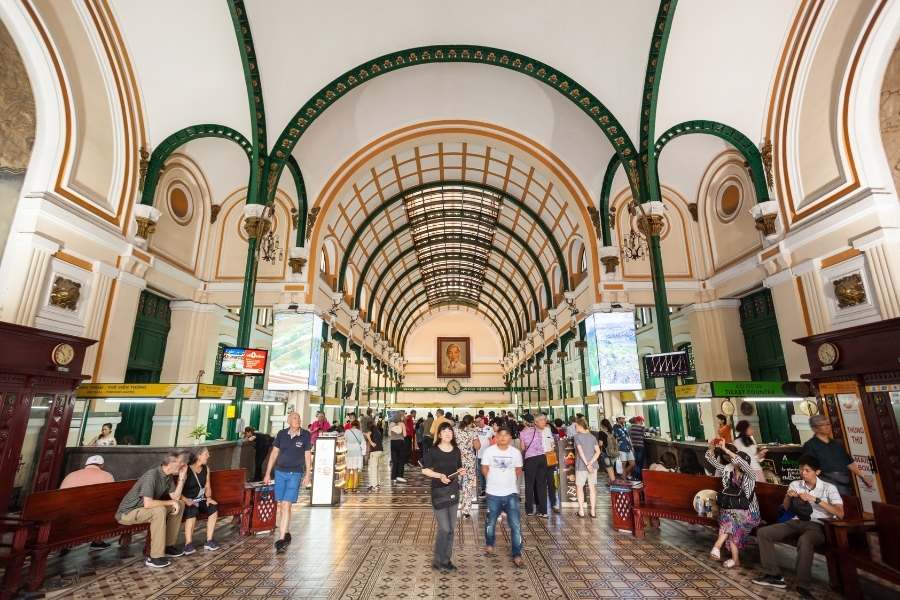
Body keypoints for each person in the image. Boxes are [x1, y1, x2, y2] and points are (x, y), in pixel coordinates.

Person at [752, 455, 844, 597]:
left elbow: (840, 513)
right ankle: (774, 576)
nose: (803, 473)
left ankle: (802, 584)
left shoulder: (828, 488)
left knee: (805, 540)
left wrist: (816, 500)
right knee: (764, 532)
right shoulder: (795, 484)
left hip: (818, 525)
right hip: (795, 522)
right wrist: (788, 496)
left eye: (807, 470)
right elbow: (785, 507)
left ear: (817, 472)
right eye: (801, 470)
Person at [115, 452, 188, 568]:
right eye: (180, 462)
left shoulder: (168, 476)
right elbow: (148, 503)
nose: (183, 464)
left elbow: (175, 497)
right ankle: (155, 557)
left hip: (143, 510)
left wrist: (182, 478)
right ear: (170, 464)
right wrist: (170, 502)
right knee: (159, 511)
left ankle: (168, 546)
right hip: (128, 513)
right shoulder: (152, 475)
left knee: (180, 504)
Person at [704, 441, 759, 569]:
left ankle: (717, 546)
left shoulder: (750, 475)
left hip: (750, 513)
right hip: (731, 512)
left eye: (736, 458)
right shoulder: (728, 470)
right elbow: (712, 461)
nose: (733, 460)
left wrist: (726, 449)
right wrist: (711, 448)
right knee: (731, 519)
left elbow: (743, 464)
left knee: (731, 519)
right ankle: (735, 559)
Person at [263, 412, 312, 553]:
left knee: (286, 504)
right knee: (281, 505)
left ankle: (281, 538)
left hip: (295, 473)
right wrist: (267, 473)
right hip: (280, 472)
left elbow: (307, 455)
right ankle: (286, 530)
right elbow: (274, 454)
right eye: (295, 418)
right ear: (289, 421)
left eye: (299, 418)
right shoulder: (281, 434)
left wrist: (308, 474)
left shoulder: (305, 435)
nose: (298, 420)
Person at [421, 422, 465, 572]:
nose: (448, 433)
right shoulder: (433, 451)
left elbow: (458, 467)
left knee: (451, 529)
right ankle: (438, 559)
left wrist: (461, 471)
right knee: (444, 528)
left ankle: (446, 560)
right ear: (439, 434)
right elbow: (425, 470)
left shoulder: (456, 451)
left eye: (450, 431)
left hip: (453, 491)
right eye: (444, 431)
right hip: (438, 493)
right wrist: (439, 475)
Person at [481, 426, 524, 567]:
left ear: (510, 438)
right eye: (500, 435)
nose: (503, 438)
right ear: (496, 437)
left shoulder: (515, 453)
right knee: (490, 522)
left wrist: (507, 481)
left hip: (511, 492)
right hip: (493, 493)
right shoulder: (489, 451)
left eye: (506, 435)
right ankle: (489, 544)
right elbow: (484, 468)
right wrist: (493, 481)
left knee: (515, 525)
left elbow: (518, 470)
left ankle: (517, 553)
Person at [803, 414, 873, 496]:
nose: (826, 427)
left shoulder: (836, 443)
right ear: (814, 428)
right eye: (822, 425)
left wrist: (863, 477)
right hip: (825, 485)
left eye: (828, 424)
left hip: (844, 484)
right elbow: (808, 468)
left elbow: (848, 461)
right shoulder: (810, 445)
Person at [59, 455, 116, 551]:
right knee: (102, 509)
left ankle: (65, 544)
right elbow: (111, 497)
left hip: (66, 513)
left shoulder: (71, 475)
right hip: (91, 514)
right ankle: (97, 541)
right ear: (102, 465)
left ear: (86, 464)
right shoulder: (107, 475)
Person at [180, 447, 220, 554]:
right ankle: (188, 544)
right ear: (199, 455)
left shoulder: (206, 468)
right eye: (206, 454)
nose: (208, 456)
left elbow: (207, 486)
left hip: (201, 499)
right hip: (187, 501)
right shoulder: (186, 469)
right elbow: (178, 490)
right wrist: (186, 500)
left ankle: (209, 540)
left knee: (213, 508)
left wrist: (209, 498)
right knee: (192, 510)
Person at [519, 413, 549, 516]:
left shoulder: (522, 433)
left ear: (524, 422)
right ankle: (543, 511)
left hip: (530, 459)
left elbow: (523, 448)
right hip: (542, 458)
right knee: (541, 485)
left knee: (529, 484)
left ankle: (529, 510)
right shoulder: (538, 430)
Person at [573, 418, 601, 518]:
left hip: (581, 466)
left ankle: (581, 511)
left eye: (576, 426)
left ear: (580, 426)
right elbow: (598, 452)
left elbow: (580, 452)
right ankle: (593, 511)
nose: (575, 427)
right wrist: (591, 463)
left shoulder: (577, 437)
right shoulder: (592, 437)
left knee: (579, 487)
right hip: (593, 466)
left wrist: (587, 464)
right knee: (592, 488)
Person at [454, 415, 480, 518]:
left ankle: (456, 505)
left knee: (456, 482)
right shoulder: (473, 431)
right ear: (471, 422)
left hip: (456, 459)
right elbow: (477, 446)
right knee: (468, 484)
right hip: (469, 460)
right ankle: (466, 510)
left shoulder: (455, 430)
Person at [475, 415, 494, 498]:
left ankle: (490, 489)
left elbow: (494, 439)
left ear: (483, 420)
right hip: (478, 455)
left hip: (488, 456)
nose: (478, 423)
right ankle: (483, 489)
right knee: (480, 473)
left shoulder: (490, 429)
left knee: (488, 473)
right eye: (476, 422)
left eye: (479, 421)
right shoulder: (475, 430)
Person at [364, 418, 384, 491]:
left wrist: (371, 443)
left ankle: (373, 485)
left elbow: (368, 435)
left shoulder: (371, 429)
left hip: (374, 451)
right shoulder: (377, 430)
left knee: (373, 468)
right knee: (376, 467)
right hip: (380, 450)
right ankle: (377, 484)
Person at [344, 420, 365, 492]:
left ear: (352, 425)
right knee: (355, 470)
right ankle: (354, 487)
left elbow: (345, 441)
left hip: (349, 453)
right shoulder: (360, 432)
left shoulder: (347, 431)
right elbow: (363, 443)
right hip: (357, 453)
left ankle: (346, 487)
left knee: (348, 470)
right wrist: (363, 453)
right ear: (358, 425)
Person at [597, 419, 618, 483]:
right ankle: (611, 481)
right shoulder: (612, 432)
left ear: (602, 425)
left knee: (608, 468)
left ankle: (612, 482)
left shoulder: (601, 432)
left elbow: (600, 443)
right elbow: (616, 442)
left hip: (605, 452)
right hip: (613, 452)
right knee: (611, 468)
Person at [389, 412, 407, 483]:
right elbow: (405, 435)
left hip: (393, 442)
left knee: (394, 460)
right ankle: (400, 476)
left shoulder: (391, 424)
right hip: (400, 442)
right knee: (401, 460)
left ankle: (393, 477)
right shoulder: (402, 424)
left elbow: (389, 434)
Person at [629, 416, 647, 480]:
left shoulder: (631, 427)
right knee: (640, 463)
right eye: (642, 421)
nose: (642, 422)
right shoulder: (641, 427)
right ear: (639, 421)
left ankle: (635, 476)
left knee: (636, 462)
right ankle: (639, 477)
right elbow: (644, 435)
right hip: (640, 446)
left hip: (634, 447)